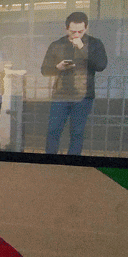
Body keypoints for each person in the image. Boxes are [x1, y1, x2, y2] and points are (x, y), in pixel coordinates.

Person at [40, 11, 108, 155]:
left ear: (86, 28)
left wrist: (82, 48)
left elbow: (101, 65)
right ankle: (49, 163)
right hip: (61, 94)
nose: (76, 35)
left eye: (80, 31)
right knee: (53, 130)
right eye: (73, 32)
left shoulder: (95, 44)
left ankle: (73, 165)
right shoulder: (57, 44)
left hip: (83, 95)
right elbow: (44, 70)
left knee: (77, 132)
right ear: (66, 29)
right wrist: (57, 68)